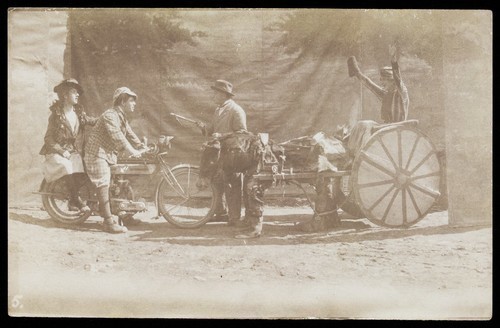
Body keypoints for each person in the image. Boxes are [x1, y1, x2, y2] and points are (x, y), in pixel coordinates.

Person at [84, 87, 147, 233]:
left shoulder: (122, 117)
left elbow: (129, 133)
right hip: (96, 153)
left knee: (121, 181)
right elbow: (118, 135)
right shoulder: (110, 115)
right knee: (104, 182)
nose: (134, 104)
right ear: (123, 101)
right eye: (131, 101)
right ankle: (108, 222)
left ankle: (124, 215)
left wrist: (141, 146)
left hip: (108, 154)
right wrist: (132, 151)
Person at [39, 79, 97, 212]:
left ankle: (73, 202)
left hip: (72, 153)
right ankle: (76, 199)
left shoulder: (78, 114)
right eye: (74, 92)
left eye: (77, 92)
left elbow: (91, 121)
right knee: (67, 165)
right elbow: (48, 139)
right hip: (55, 153)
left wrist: (105, 119)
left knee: (83, 168)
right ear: (65, 95)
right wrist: (60, 151)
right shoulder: (56, 116)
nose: (77, 95)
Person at [196, 80, 247, 226]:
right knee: (217, 182)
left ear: (224, 95)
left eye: (216, 93)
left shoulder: (236, 110)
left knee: (232, 184)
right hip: (219, 153)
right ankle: (221, 213)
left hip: (232, 154)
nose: (213, 96)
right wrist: (204, 128)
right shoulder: (218, 110)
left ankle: (235, 218)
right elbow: (212, 130)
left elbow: (242, 134)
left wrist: (222, 136)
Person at [348, 44, 409, 123]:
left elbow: (397, 77)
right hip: (387, 128)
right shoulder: (386, 94)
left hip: (398, 129)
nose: (382, 82)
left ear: (392, 81)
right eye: (381, 79)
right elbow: (369, 84)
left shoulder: (401, 92)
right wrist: (357, 72)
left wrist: (393, 59)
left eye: (384, 80)